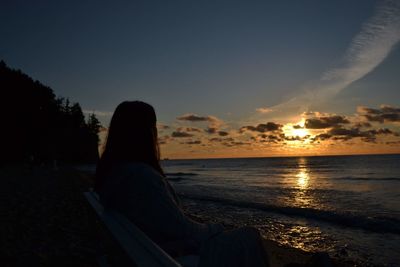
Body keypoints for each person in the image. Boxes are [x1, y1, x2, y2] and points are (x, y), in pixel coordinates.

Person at [95, 101, 269, 267]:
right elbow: (183, 230)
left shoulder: (114, 173)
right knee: (249, 236)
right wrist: (215, 228)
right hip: (169, 256)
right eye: (153, 127)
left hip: (148, 251)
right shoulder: (142, 176)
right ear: (145, 132)